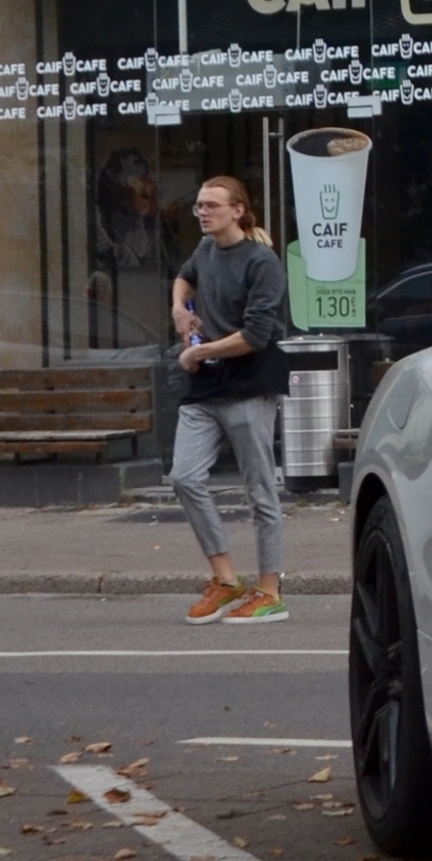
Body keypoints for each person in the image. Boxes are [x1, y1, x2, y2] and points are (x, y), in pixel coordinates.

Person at [169, 173, 291, 622]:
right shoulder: (205, 250)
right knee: (184, 476)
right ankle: (224, 579)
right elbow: (184, 278)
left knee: (259, 489)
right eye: (199, 205)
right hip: (206, 385)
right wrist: (181, 309)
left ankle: (269, 591)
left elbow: (257, 335)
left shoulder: (262, 262)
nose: (203, 212)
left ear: (238, 211)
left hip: (250, 382)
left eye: (212, 205)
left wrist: (201, 350)